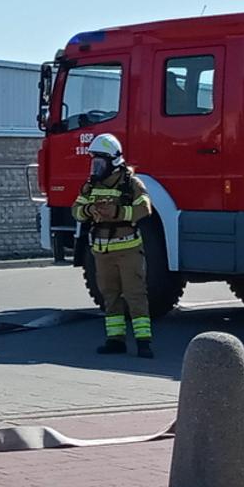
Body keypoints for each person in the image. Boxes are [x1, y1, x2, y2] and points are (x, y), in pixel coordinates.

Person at [73, 133, 156, 358]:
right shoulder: (91, 186)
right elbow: (76, 210)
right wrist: (90, 210)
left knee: (135, 295)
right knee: (110, 296)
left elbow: (144, 208)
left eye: (100, 162)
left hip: (127, 250)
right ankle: (115, 340)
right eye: (94, 162)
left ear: (114, 160)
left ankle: (143, 342)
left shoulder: (131, 183)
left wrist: (118, 212)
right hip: (102, 252)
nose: (96, 167)